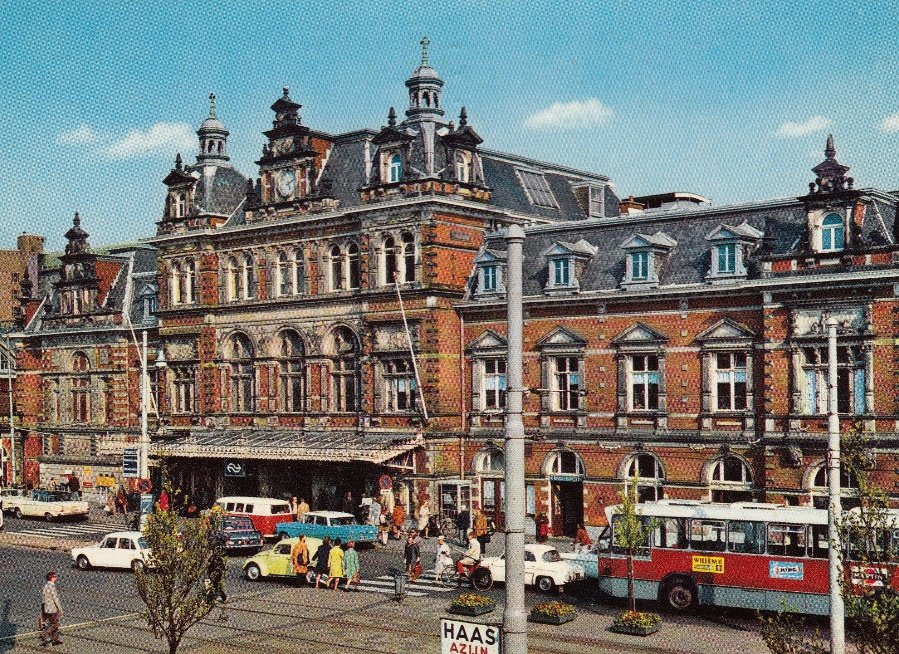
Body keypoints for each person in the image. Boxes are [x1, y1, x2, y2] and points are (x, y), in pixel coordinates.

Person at [40, 571, 63, 646]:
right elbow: (55, 599)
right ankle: (44, 634)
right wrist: (60, 609)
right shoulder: (52, 587)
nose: (56, 578)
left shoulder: (45, 586)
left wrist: (44, 609)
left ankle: (55, 639)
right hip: (53, 608)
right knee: (55, 624)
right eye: (55, 576)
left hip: (47, 608)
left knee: (53, 623)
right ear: (52, 578)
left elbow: (43, 598)